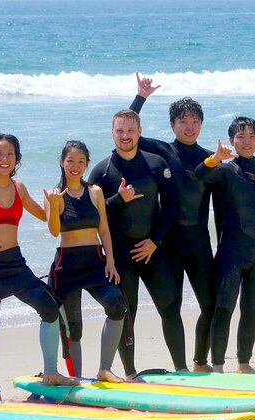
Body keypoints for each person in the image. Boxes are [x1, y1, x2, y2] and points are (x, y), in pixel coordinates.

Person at [0, 133, 77, 400]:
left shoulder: (18, 187)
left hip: (14, 263)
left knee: (48, 307)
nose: (4, 159)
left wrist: (54, 204)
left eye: (10, 154)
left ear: (16, 159)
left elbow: (45, 216)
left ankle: (51, 372)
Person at [128, 73, 219, 373]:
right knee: (171, 309)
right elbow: (129, 132)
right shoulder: (164, 152)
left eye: (194, 121)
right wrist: (140, 98)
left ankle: (199, 362)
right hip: (167, 244)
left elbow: (224, 207)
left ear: (201, 124)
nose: (189, 126)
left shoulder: (211, 158)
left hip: (199, 244)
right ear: (172, 125)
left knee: (210, 305)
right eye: (183, 121)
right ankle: (180, 368)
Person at [88, 109, 185, 379]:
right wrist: (118, 200)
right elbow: (93, 215)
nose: (125, 136)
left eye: (130, 130)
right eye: (120, 131)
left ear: (139, 132)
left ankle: (182, 368)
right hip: (121, 257)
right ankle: (131, 374)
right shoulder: (102, 171)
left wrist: (155, 241)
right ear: (112, 133)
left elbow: (172, 206)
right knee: (126, 316)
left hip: (153, 251)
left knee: (170, 308)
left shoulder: (156, 164)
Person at [194, 117, 255, 374]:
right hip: (230, 253)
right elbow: (199, 174)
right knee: (223, 308)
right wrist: (214, 158)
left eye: (252, 136)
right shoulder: (225, 171)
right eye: (241, 137)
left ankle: (244, 363)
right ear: (231, 141)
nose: (246, 142)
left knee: (251, 308)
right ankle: (217, 366)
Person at [44, 140, 127, 383]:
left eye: (81, 161)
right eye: (70, 161)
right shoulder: (53, 194)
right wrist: (55, 205)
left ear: (87, 164)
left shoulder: (96, 192)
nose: (75, 166)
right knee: (73, 327)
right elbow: (53, 230)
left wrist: (110, 261)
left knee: (116, 305)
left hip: (95, 261)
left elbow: (104, 228)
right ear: (62, 162)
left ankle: (104, 369)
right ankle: (76, 379)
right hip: (66, 266)